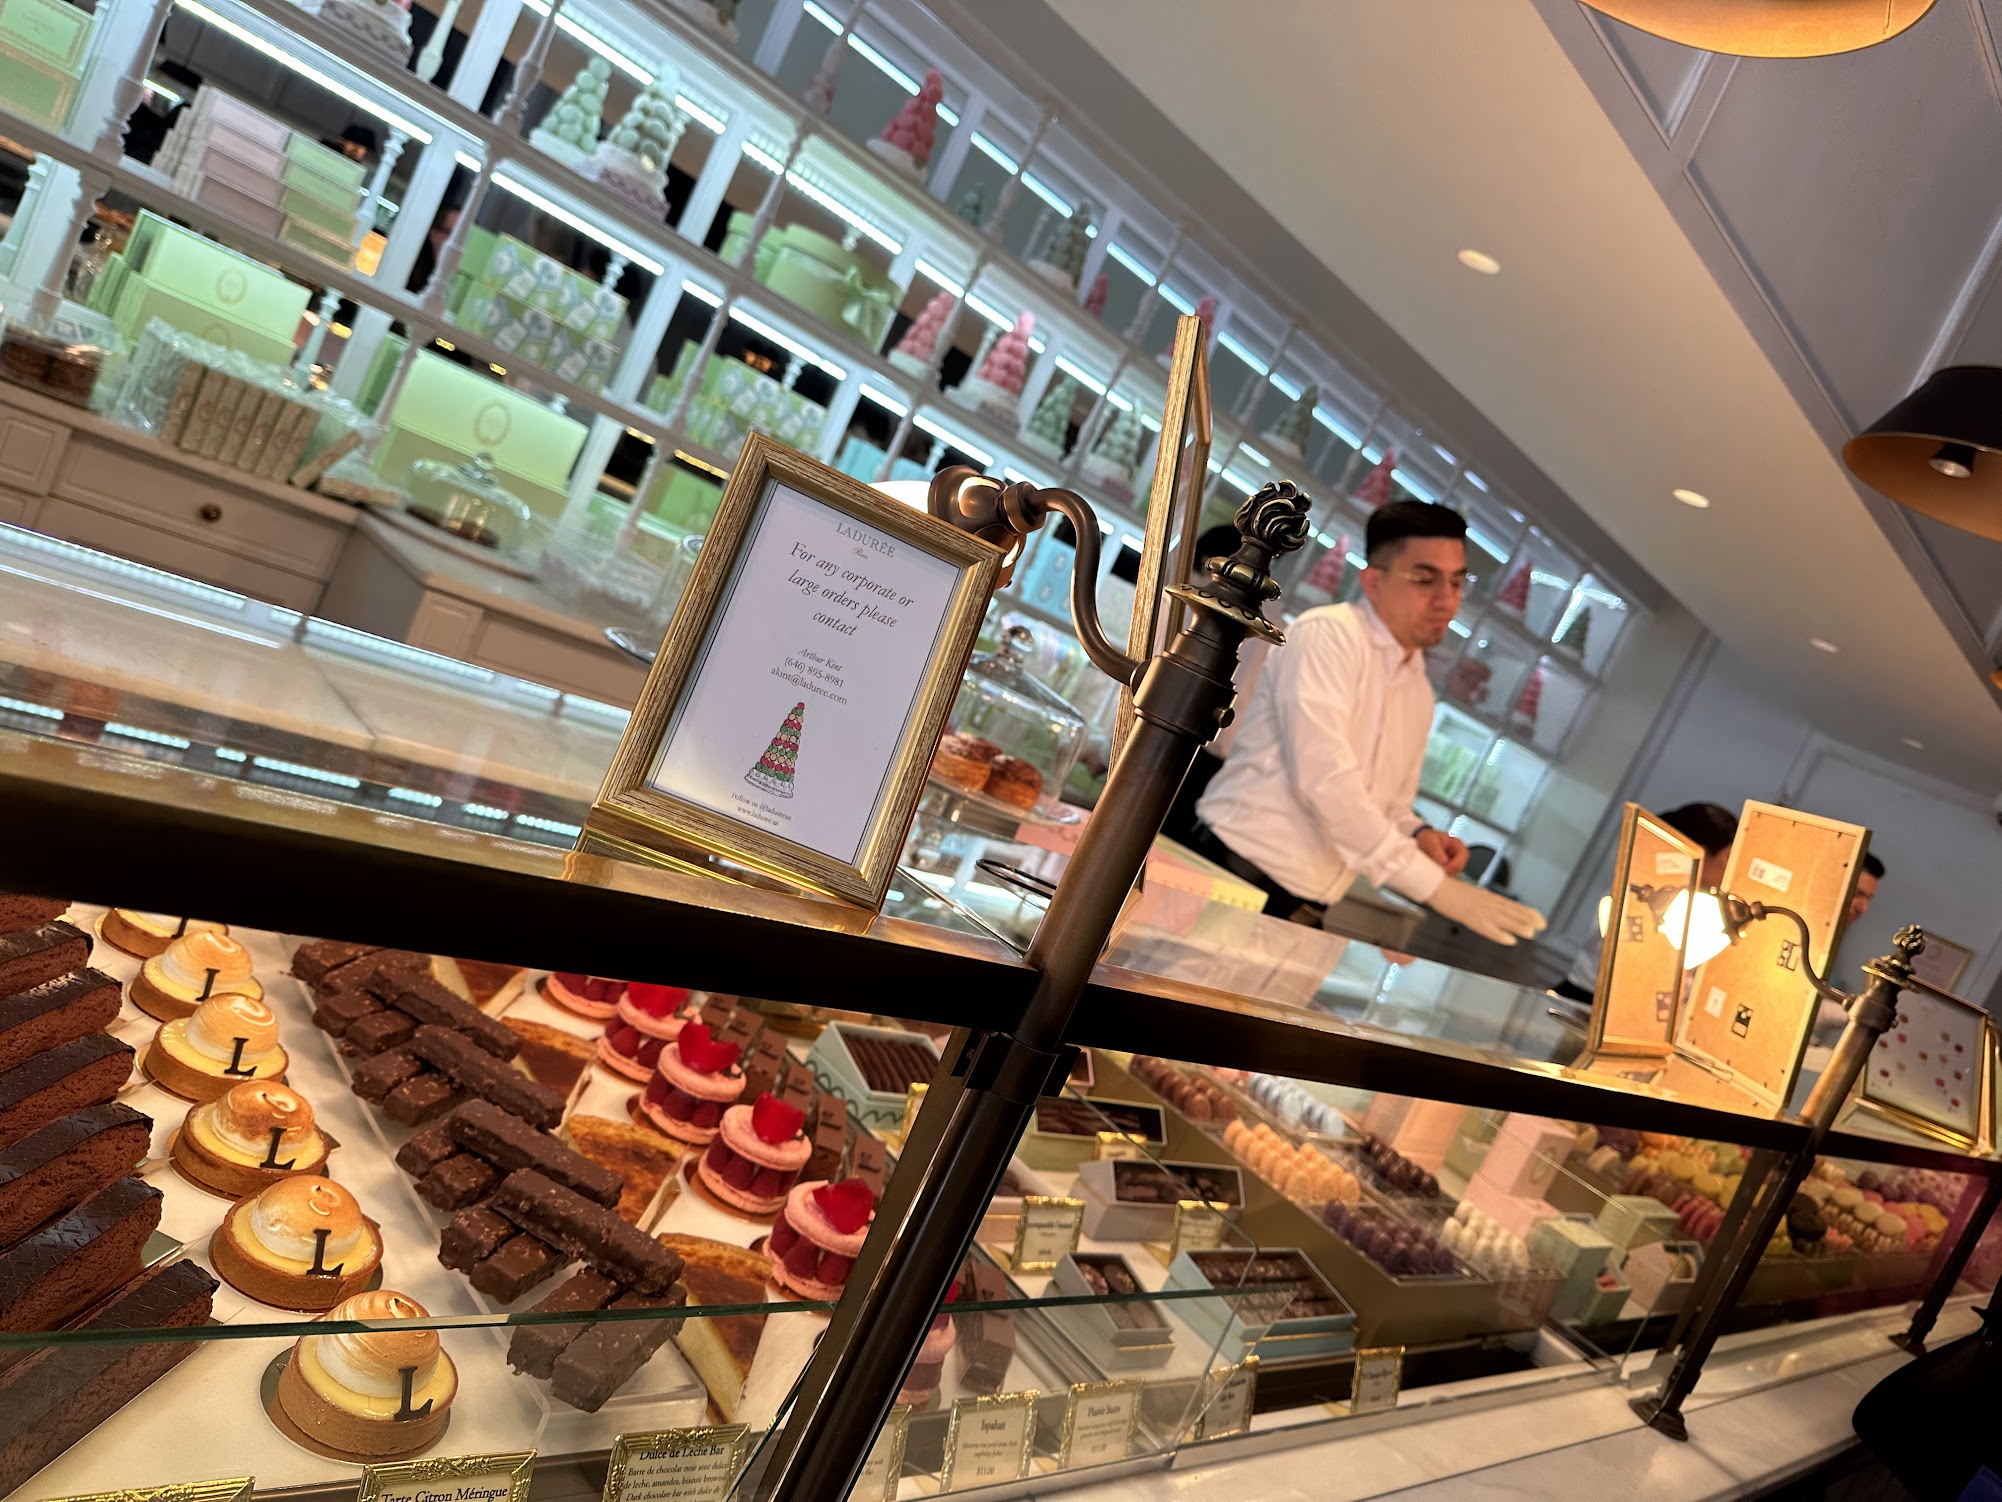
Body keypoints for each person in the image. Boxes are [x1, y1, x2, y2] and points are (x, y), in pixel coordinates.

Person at [1190, 499, 1546, 946]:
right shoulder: (1327, 635)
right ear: (1373, 581)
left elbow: (1390, 805)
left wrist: (1419, 834)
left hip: (1303, 909)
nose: (1447, 599)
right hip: (1230, 875)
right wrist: (1437, 890)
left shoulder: (1417, 688)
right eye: (1425, 579)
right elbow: (1325, 781)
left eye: (1457, 582)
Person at [1553, 801, 1739, 1005]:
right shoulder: (1640, 891)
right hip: (1585, 1000)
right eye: (1728, 857)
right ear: (1699, 852)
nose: (1732, 869)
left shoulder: (1702, 906)